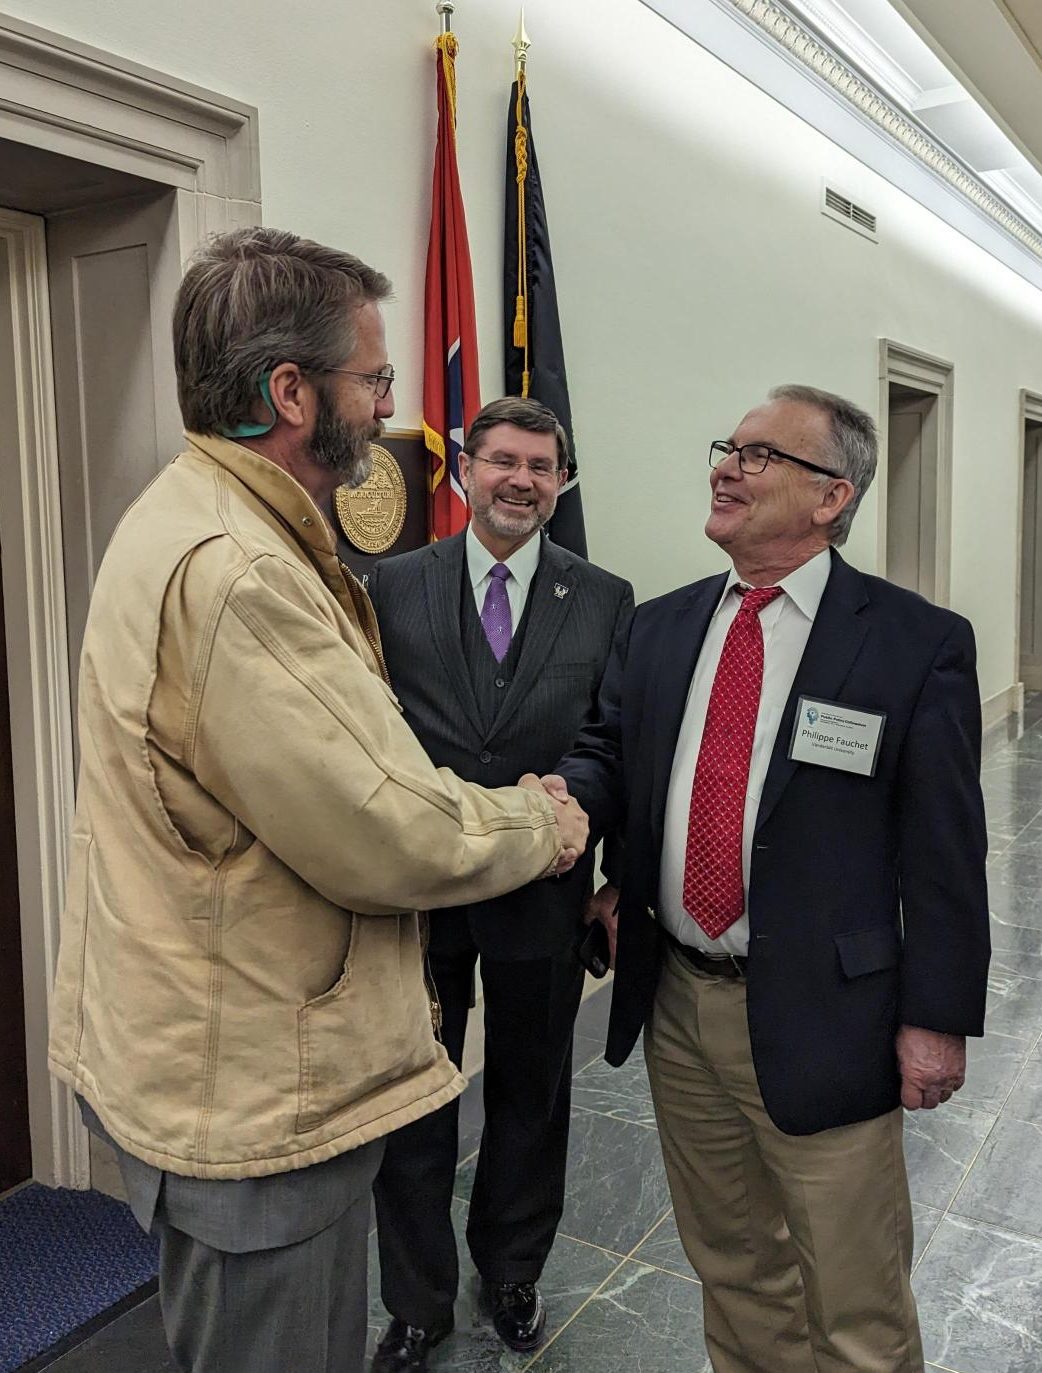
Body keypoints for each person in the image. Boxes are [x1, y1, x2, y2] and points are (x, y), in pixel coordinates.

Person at [46, 227, 588, 1373]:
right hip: (254, 1089)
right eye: (375, 379)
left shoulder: (189, 512)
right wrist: (544, 821)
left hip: (209, 1046)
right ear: (291, 391)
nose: (390, 405)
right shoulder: (241, 571)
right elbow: (385, 827)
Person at [549, 384, 990, 1373]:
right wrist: (569, 803)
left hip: (831, 1015)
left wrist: (936, 1018)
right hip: (678, 1004)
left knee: (853, 1302)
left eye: (756, 454)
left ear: (832, 496)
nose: (724, 466)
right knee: (733, 1270)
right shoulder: (660, 625)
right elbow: (613, 753)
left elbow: (947, 851)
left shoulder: (913, 642)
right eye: (726, 448)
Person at [366, 396, 633, 1371]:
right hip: (416, 893)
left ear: (560, 482)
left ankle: (511, 1269)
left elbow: (612, 738)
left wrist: (595, 838)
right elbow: (370, 730)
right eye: (503, 460)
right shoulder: (390, 586)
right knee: (411, 1098)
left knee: (530, 1091)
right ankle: (414, 1298)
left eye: (541, 465)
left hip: (543, 888)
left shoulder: (603, 597)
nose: (522, 479)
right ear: (463, 469)